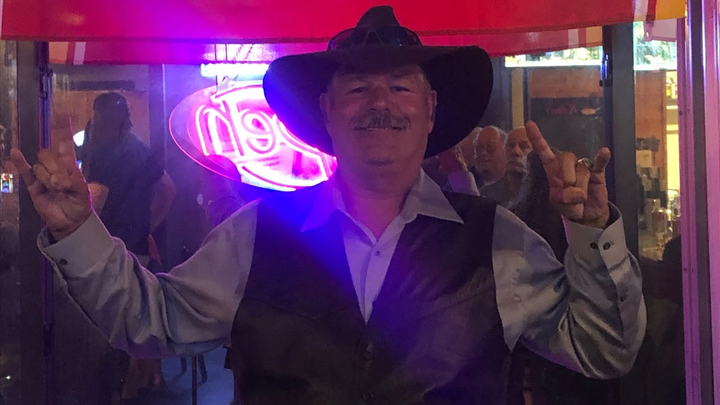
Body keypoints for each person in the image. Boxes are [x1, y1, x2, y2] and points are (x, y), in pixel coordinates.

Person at [11, 6, 645, 404]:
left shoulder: (497, 238)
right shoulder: (255, 234)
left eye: (400, 87)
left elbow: (603, 351)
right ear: (327, 111)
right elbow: (150, 322)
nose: (380, 102)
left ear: (430, 111)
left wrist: (592, 237)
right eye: (358, 88)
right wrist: (78, 231)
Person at [79, 93, 177, 400]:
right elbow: (168, 189)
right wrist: (148, 225)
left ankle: (123, 390)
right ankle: (136, 385)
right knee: (132, 318)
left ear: (100, 116)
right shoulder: (133, 147)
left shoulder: (109, 149)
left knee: (114, 324)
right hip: (131, 245)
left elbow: (95, 200)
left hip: (111, 247)